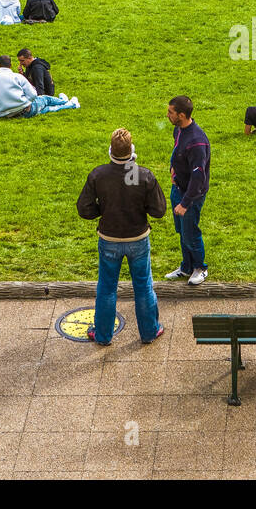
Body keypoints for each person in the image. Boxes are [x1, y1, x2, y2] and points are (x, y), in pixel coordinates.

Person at [77, 128, 167, 346]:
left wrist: (103, 210)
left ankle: (103, 335)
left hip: (109, 239)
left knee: (107, 288)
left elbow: (84, 208)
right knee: (144, 287)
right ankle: (149, 332)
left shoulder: (99, 175)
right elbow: (159, 210)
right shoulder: (142, 175)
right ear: (132, 150)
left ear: (111, 150)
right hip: (138, 239)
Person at [164, 95, 211, 286]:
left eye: (170, 112)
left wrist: (185, 203)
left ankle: (200, 268)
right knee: (182, 231)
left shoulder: (197, 142)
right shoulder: (179, 130)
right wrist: (173, 167)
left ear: (181, 115)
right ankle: (186, 267)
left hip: (191, 195)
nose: (167, 115)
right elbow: (177, 150)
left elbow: (198, 178)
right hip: (178, 188)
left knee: (190, 233)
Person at [0, 55, 77, 118]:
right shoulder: (16, 77)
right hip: (25, 110)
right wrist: (27, 103)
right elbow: (33, 94)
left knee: (44, 110)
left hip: (6, 115)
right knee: (45, 99)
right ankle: (67, 102)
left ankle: (67, 103)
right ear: (10, 65)